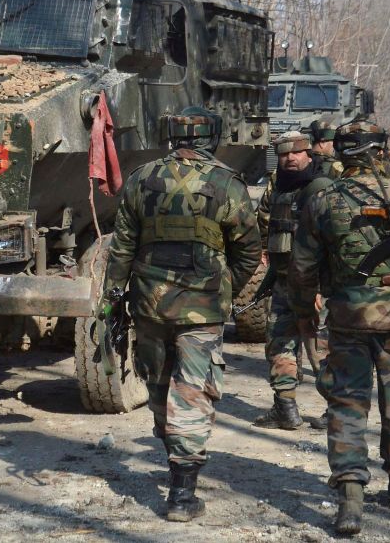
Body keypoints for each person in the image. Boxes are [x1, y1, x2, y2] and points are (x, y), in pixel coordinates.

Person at [288, 120, 390, 536]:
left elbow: (302, 268)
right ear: (381, 151)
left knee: (346, 406)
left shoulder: (322, 200)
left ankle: (350, 497)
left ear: (340, 152)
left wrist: (304, 312)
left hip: (347, 319)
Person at [104, 106, 261, 522]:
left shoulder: (141, 179)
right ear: (213, 136)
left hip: (149, 302)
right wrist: (225, 286)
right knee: (192, 391)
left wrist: (112, 296)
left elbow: (121, 247)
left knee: (158, 382)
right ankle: (182, 491)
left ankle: (172, 455)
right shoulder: (227, 183)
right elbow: (248, 250)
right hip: (203, 306)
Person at [253, 131, 332, 431]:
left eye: (296, 154)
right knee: (279, 345)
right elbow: (266, 220)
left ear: (308, 155)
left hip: (313, 286)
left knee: (319, 350)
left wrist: (319, 287)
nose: (289, 159)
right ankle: (285, 407)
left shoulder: (320, 187)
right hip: (284, 281)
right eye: (284, 154)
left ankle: (335, 410)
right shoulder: (279, 187)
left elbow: (330, 240)